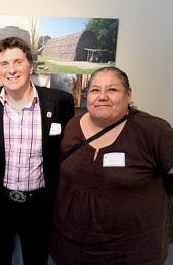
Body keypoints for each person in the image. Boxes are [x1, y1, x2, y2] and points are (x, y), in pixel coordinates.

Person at [50, 66, 173, 264]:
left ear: (128, 94)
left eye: (112, 90)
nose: (102, 96)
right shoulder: (73, 125)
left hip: (131, 253)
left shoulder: (153, 130)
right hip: (70, 248)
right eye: (95, 90)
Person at [0, 36, 74, 265]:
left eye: (18, 62)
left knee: (37, 260)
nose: (11, 70)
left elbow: (66, 154)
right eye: (4, 64)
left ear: (30, 64)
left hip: (41, 206)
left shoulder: (60, 101)